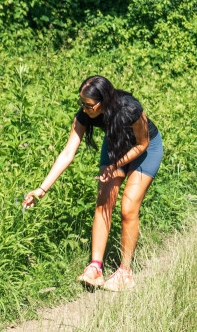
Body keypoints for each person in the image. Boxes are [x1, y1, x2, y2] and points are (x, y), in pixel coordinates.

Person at [22, 75, 165, 292]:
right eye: (82, 103)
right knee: (104, 202)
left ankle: (125, 272)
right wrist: (42, 189)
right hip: (116, 144)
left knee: (128, 207)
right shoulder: (85, 115)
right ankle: (95, 267)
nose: (84, 109)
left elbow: (143, 143)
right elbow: (68, 153)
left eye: (88, 105)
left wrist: (115, 165)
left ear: (104, 102)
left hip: (145, 149)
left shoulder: (130, 108)